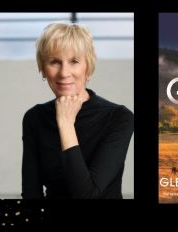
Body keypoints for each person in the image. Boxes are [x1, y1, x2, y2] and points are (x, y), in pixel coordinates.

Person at [21, 22, 134, 199]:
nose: (64, 73)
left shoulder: (119, 117)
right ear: (43, 69)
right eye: (54, 62)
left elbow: (87, 195)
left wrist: (65, 124)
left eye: (74, 61)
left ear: (87, 67)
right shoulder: (34, 118)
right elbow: (31, 192)